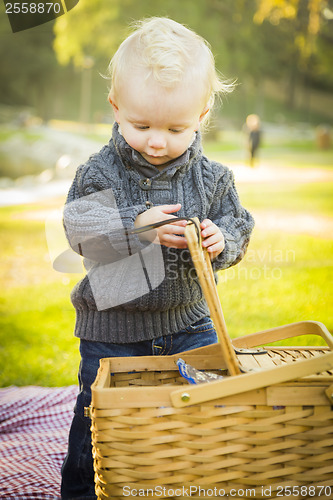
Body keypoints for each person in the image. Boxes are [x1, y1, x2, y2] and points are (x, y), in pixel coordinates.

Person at [60, 17, 254, 499]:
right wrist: (133, 225)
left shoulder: (213, 178)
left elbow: (240, 226)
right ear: (116, 107)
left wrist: (220, 240)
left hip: (191, 326)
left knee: (199, 416)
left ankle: (183, 485)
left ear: (203, 115)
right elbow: (77, 231)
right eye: (141, 125)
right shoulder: (99, 172)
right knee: (99, 421)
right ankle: (86, 490)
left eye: (176, 128)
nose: (156, 141)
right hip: (114, 333)